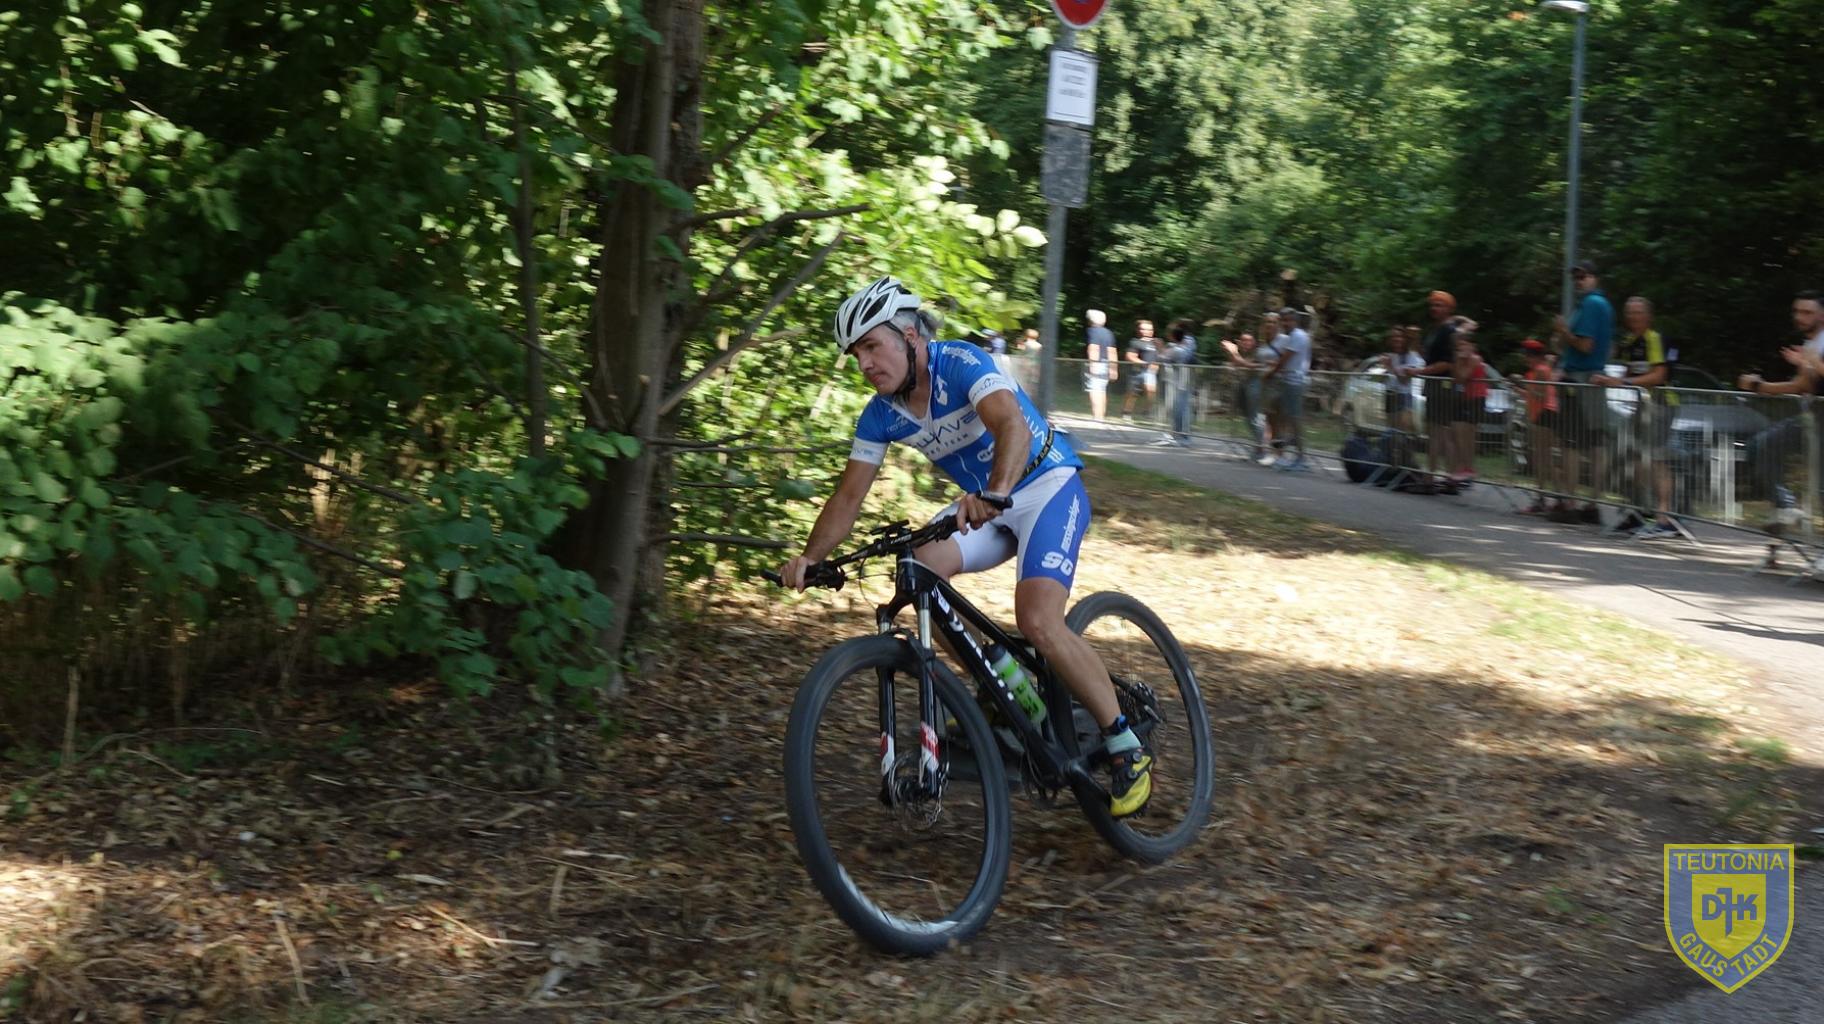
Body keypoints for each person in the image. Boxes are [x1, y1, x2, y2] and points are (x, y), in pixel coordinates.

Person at [778, 277, 1153, 815]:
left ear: (910, 336)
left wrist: (996, 491)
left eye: (872, 346)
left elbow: (1012, 426)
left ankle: (1124, 743)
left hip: (1045, 487)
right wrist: (812, 558)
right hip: (984, 505)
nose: (864, 363)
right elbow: (848, 496)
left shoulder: (960, 362)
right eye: (856, 354)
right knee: (917, 572)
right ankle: (1003, 684)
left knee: (1038, 620)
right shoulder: (881, 413)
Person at [1591, 296, 1680, 538]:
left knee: (1656, 460)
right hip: (1642, 406)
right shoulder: (1630, 342)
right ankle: (1640, 513)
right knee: (1629, 458)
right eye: (1629, 312)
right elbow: (1629, 373)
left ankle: (1664, 519)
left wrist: (1623, 382)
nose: (1633, 317)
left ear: (1649, 316)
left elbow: (1659, 375)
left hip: (1662, 404)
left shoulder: (1654, 339)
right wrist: (1607, 379)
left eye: (1638, 312)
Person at [1738, 290, 1824, 533]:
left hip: (1819, 418)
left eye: (1807, 312)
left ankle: (1787, 510)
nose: (1799, 317)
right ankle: (1786, 507)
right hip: (1813, 418)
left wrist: (1759, 386)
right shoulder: (1811, 343)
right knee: (1760, 447)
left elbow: (1804, 382)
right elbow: (1805, 385)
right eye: (1797, 311)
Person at [1548, 260, 1615, 524]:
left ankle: (1570, 504)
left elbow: (1585, 346)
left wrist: (1564, 331)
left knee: (1571, 444)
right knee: (1596, 444)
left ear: (1595, 277)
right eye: (1575, 277)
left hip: (1579, 381)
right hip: (1593, 378)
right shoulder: (1602, 304)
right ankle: (1592, 505)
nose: (1578, 281)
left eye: (1583, 276)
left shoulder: (1590, 304)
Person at [1514, 338, 1567, 515]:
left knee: (1544, 457)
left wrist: (1523, 384)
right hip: (1543, 414)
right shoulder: (1538, 370)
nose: (1525, 359)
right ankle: (1549, 497)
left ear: (1535, 356)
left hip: (1545, 413)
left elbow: (1541, 396)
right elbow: (1533, 394)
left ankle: (1549, 498)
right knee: (1543, 457)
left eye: (1528, 356)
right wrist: (1519, 389)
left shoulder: (1541, 370)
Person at [1415, 291, 1462, 491]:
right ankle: (1449, 478)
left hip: (1442, 386)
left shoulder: (1448, 331)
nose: (1434, 308)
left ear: (1449, 309)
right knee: (1439, 432)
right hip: (1434, 385)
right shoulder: (1435, 330)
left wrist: (1420, 371)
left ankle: (1433, 478)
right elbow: (1428, 357)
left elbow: (1447, 363)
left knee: (1438, 432)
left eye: (1439, 305)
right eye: (1433, 305)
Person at [1263, 306, 1313, 471]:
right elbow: (1288, 361)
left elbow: (1284, 361)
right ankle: (1289, 453)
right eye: (1283, 320)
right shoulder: (1294, 336)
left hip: (1295, 382)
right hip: (1289, 381)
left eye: (1288, 320)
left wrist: (1270, 373)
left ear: (1295, 321)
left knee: (1295, 420)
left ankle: (1301, 459)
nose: (1285, 323)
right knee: (1288, 418)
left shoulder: (1298, 336)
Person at [1449, 322, 1489, 483]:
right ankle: (1463, 467)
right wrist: (1458, 361)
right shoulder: (1463, 360)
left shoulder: (1474, 359)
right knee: (1459, 432)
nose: (1461, 349)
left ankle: (1469, 467)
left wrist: (1459, 361)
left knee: (1469, 434)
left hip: (1477, 397)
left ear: (1471, 346)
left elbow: (1462, 377)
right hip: (1467, 397)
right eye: (1459, 347)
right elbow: (1456, 379)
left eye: (1464, 346)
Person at [1222, 333, 1270, 458]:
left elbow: (1247, 365)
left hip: (1255, 385)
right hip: (1245, 385)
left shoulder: (1259, 352)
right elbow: (1236, 364)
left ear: (1254, 342)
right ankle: (1259, 446)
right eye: (1243, 340)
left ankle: (1261, 449)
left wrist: (1233, 352)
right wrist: (1231, 355)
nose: (1246, 343)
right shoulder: (1243, 354)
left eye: (1249, 340)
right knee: (1249, 417)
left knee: (1255, 418)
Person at [1154, 320, 1199, 446]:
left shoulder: (1187, 342)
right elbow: (1163, 358)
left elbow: (1176, 356)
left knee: (1182, 408)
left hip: (1184, 380)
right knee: (1176, 408)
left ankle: (1184, 438)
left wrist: (1161, 348)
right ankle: (1176, 435)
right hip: (1175, 380)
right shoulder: (1176, 345)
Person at [1380, 325, 1424, 435]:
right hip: (1390, 394)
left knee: (1402, 431)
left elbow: (1404, 381)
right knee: (1390, 430)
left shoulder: (1412, 356)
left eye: (1399, 336)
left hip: (1404, 396)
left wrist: (1390, 366)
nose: (1396, 339)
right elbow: (1384, 378)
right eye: (1393, 336)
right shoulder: (1390, 355)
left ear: (1405, 339)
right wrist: (1384, 370)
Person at [1121, 319, 1161, 421]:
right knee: (1133, 393)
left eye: (1150, 329)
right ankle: (1126, 412)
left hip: (1151, 372)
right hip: (1137, 371)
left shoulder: (1156, 343)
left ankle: (1147, 412)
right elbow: (1130, 356)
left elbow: (1161, 356)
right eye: (1144, 329)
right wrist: (1144, 363)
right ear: (1139, 330)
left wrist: (1157, 364)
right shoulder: (1135, 342)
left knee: (1151, 391)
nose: (1148, 332)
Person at [1082, 309, 1118, 421]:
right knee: (1102, 390)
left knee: (1094, 390)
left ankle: (1097, 417)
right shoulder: (1109, 333)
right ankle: (1101, 416)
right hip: (1107, 363)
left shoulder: (1092, 331)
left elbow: (1093, 347)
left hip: (1097, 364)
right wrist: (1114, 368)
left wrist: (1092, 364)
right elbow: (1112, 351)